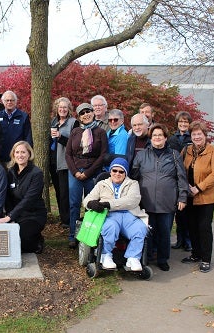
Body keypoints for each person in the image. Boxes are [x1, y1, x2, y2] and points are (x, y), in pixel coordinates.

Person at [130, 123, 188, 271]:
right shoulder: (142, 155)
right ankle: (147, 257)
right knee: (147, 231)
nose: (157, 138)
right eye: (154, 135)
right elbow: (133, 178)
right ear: (151, 138)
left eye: (160, 135)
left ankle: (163, 259)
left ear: (165, 138)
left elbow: (181, 177)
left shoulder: (174, 155)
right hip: (146, 201)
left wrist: (182, 197)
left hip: (167, 201)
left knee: (164, 232)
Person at [83, 158, 148, 271]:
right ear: (110, 171)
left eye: (121, 171)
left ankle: (133, 258)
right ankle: (105, 255)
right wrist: (91, 204)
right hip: (109, 216)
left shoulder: (133, 184)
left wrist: (109, 204)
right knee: (110, 227)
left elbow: (132, 201)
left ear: (125, 173)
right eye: (114, 170)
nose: (117, 173)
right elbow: (87, 200)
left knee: (140, 228)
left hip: (129, 215)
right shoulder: (102, 184)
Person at [181, 121, 214, 273]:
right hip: (189, 195)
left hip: (206, 196)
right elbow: (180, 169)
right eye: (194, 134)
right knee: (191, 226)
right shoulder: (187, 150)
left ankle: (206, 258)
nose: (197, 137)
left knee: (204, 227)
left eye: (199, 134)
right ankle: (196, 254)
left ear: (205, 135)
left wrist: (198, 188)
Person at [65, 103, 108, 248]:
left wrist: (88, 173)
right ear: (79, 117)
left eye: (88, 111)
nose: (86, 114)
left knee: (92, 205)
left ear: (92, 112)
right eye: (82, 113)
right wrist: (75, 172)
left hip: (93, 172)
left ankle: (90, 234)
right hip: (75, 172)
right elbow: (68, 154)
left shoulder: (100, 132)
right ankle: (73, 235)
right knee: (74, 204)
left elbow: (103, 155)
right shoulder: (75, 131)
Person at [0, 141, 47, 254]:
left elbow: (29, 200)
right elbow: (7, 197)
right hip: (16, 215)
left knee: (21, 240)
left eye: (23, 152)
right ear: (13, 155)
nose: (20, 155)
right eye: (17, 152)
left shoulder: (36, 173)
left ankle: (38, 241)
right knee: (6, 241)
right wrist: (10, 216)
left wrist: (9, 217)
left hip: (33, 215)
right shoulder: (10, 172)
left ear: (29, 154)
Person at [49, 97, 79, 228]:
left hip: (66, 163)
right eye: (60, 107)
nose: (62, 109)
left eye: (65, 107)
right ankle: (63, 218)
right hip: (53, 161)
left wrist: (60, 137)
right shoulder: (54, 121)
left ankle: (68, 220)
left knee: (66, 193)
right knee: (58, 192)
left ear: (69, 109)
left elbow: (75, 144)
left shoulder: (74, 123)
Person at [168, 111, 193, 251]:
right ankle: (179, 239)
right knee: (179, 212)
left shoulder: (192, 138)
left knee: (187, 213)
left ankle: (188, 240)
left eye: (186, 122)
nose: (183, 124)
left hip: (189, 177)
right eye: (181, 122)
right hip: (176, 177)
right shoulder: (172, 139)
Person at [0, 90, 33, 163]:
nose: (9, 102)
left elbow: (28, 137)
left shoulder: (23, 117)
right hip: (0, 157)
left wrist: (27, 153)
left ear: (16, 102)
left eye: (12, 100)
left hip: (18, 157)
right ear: (3, 102)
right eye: (7, 100)